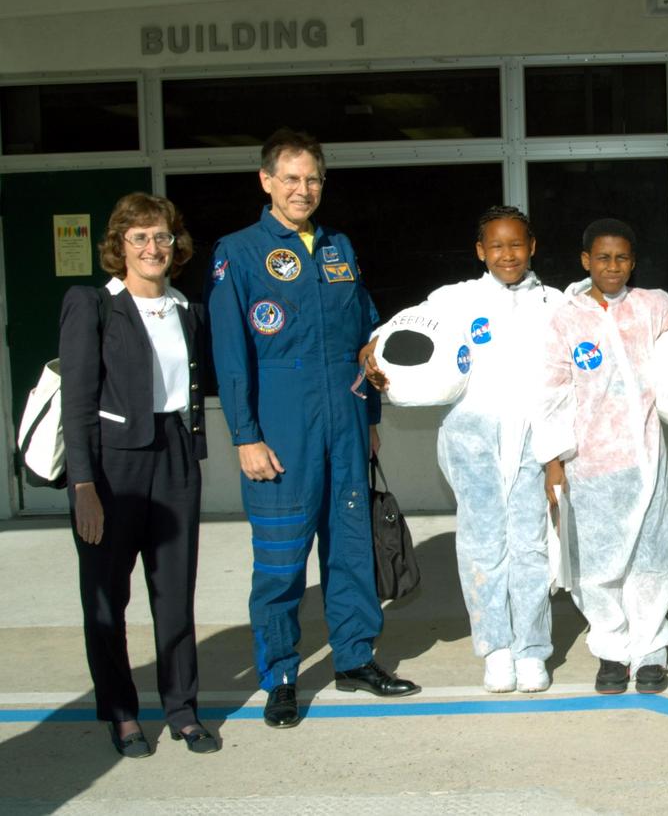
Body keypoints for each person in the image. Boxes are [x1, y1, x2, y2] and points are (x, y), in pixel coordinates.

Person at [207, 128, 418, 730]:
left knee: (350, 551)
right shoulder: (239, 252)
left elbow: (366, 341)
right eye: (291, 179)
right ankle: (279, 677)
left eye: (313, 179)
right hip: (281, 432)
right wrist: (244, 435)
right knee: (280, 562)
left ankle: (355, 659)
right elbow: (230, 354)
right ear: (266, 181)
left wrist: (370, 420)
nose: (303, 190)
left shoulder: (339, 247)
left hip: (346, 426)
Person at [366, 206, 564, 693]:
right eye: (495, 246)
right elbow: (393, 333)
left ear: (532, 246)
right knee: (482, 546)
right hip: (472, 441)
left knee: (531, 547)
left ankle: (531, 649)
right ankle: (496, 649)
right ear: (480, 251)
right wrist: (370, 350)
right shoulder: (456, 299)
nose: (507, 254)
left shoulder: (557, 304)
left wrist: (556, 454)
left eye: (516, 244)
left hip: (534, 443)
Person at [59, 192, 218, 756]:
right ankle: (122, 714)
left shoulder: (185, 307)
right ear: (119, 246)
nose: (153, 247)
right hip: (112, 465)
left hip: (175, 454)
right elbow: (77, 402)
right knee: (106, 597)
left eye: (162, 236)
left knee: (175, 595)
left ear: (176, 246)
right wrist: (84, 486)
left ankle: (182, 709)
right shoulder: (93, 304)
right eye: (140, 237)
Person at [540, 218, 668, 695]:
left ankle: (650, 651)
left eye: (621, 258)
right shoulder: (566, 319)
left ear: (633, 262)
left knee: (652, 558)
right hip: (589, 466)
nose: (612, 266)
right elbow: (551, 392)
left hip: (646, 462)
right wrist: (553, 459)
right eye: (603, 257)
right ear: (585, 261)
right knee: (596, 565)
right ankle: (612, 652)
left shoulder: (652, 307)